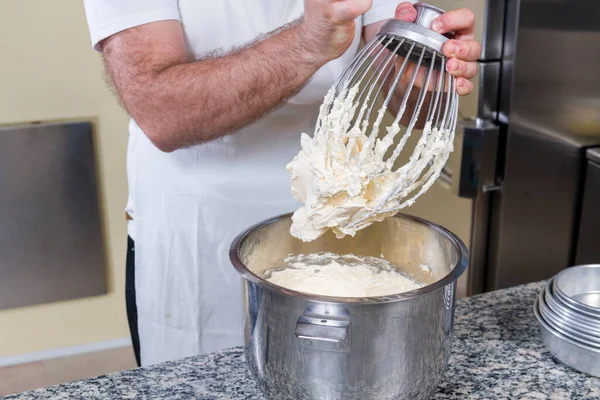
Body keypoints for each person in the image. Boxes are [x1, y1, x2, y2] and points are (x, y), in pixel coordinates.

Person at [83, 0, 481, 367]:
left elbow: (404, 89)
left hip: (340, 216)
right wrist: (306, 43)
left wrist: (429, 64)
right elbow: (160, 110)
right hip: (198, 232)